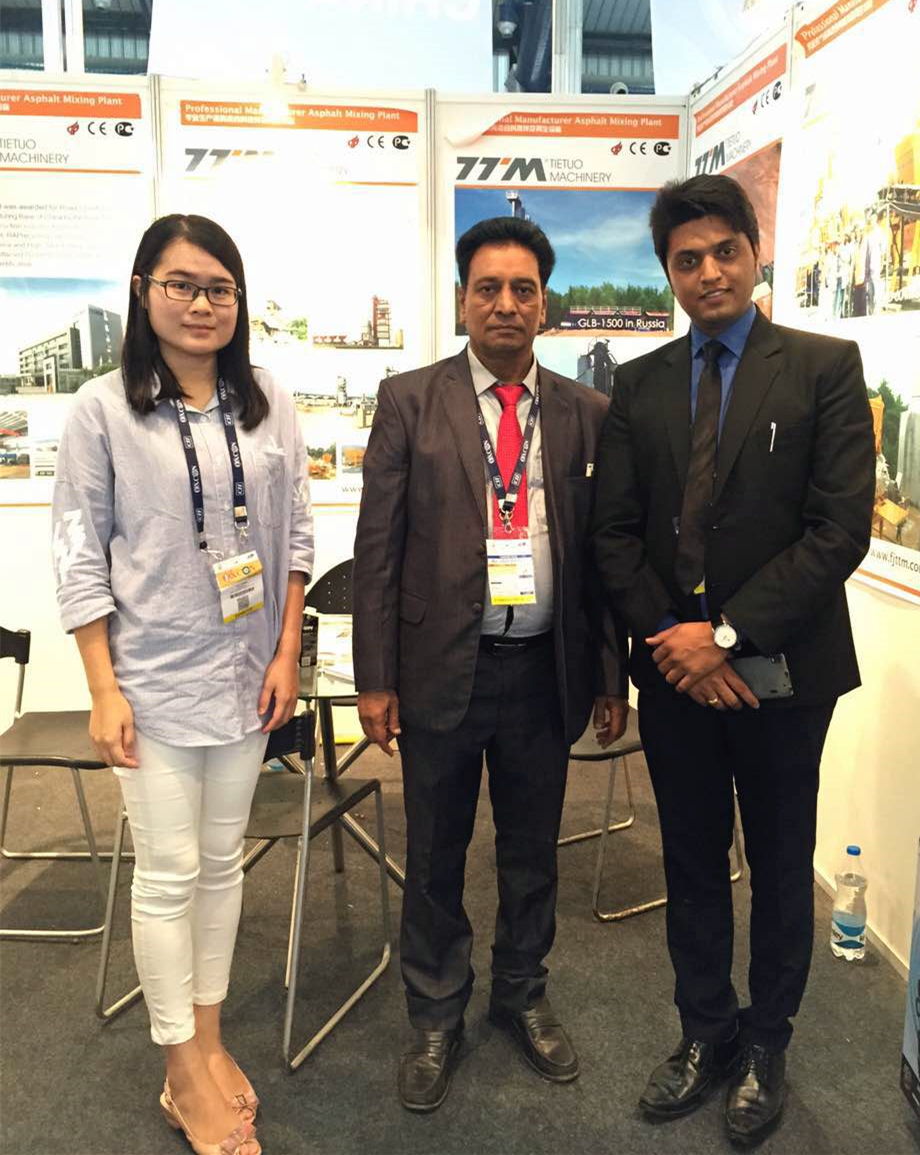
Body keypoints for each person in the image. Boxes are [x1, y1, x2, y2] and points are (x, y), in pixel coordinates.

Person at [591, 175, 874, 1144]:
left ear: (755, 254)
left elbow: (838, 531)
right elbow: (613, 533)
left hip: (785, 675)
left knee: (783, 863)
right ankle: (705, 1031)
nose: (708, 272)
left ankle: (767, 1044)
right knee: (692, 857)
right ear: (668, 273)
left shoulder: (825, 367)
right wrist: (678, 645)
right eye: (687, 259)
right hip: (676, 677)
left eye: (724, 252)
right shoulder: (641, 384)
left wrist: (723, 636)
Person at [352, 215, 627, 1112]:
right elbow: (378, 548)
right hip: (440, 667)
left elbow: (603, 559)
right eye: (488, 288)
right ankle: (436, 1012)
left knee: (531, 851)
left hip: (544, 670)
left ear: (545, 304)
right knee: (434, 853)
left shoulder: (587, 414)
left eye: (523, 289)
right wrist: (375, 677)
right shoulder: (409, 400)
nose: (505, 303)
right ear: (462, 300)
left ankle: (521, 993)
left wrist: (610, 675)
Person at [52, 214, 313, 1155]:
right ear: (142, 290)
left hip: (246, 678)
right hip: (151, 681)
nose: (203, 304)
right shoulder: (101, 410)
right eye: (182, 284)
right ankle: (181, 1071)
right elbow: (80, 554)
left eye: (220, 288)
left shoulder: (268, 399)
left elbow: (295, 535)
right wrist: (102, 687)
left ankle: (206, 1037)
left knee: (220, 865)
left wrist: (285, 653)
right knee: (167, 876)